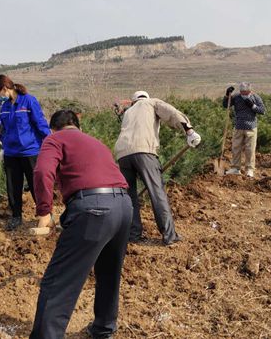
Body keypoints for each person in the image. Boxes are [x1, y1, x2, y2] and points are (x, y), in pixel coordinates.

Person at [31, 110, 132, 339]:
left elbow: (42, 171)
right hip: (124, 206)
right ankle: (104, 328)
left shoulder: (54, 139)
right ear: (78, 126)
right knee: (109, 272)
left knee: (58, 282)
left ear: (54, 128)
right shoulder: (96, 142)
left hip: (94, 209)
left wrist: (44, 212)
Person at [114, 91, 201, 245]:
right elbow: (172, 113)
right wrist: (189, 131)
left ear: (134, 101)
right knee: (157, 192)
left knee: (130, 196)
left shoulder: (129, 112)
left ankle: (133, 235)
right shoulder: (151, 102)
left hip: (122, 154)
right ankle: (169, 235)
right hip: (144, 151)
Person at [0, 74, 51, 230]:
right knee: (13, 186)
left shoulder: (28, 101)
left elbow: (40, 123)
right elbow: (2, 129)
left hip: (30, 151)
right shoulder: (4, 108)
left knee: (35, 185)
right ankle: (16, 216)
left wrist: (51, 142)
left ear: (5, 88)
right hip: (11, 153)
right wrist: (3, 144)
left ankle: (45, 215)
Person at [223, 82, 266, 177]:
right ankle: (235, 168)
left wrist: (252, 106)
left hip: (251, 127)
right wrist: (227, 95)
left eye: (246, 93)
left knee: (250, 149)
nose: (244, 94)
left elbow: (262, 111)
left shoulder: (255, 97)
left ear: (250, 91)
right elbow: (226, 105)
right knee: (235, 148)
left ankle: (249, 169)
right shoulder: (236, 97)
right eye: (242, 92)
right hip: (238, 126)